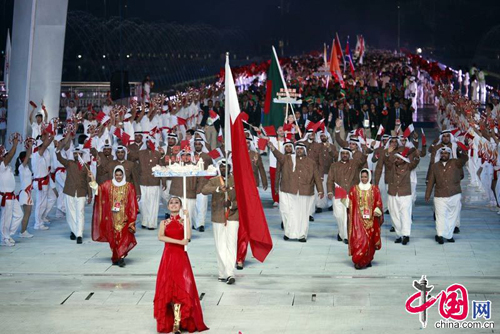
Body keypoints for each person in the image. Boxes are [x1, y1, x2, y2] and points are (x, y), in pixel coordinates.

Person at [154, 197, 208, 334]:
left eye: (176, 202)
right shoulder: (164, 222)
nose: (173, 204)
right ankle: (174, 323)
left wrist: (188, 217)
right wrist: (179, 242)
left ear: (180, 205)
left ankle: (177, 323)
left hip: (181, 258)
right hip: (168, 258)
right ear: (168, 206)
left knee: (181, 289)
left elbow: (188, 237)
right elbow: (161, 237)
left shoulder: (183, 221)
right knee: (169, 290)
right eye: (171, 203)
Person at [269, 141, 324, 242]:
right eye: (298, 148)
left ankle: (302, 235)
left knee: (303, 215)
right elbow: (279, 156)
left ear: (305, 150)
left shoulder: (311, 162)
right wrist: (272, 148)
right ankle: (288, 233)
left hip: (305, 191)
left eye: (301, 149)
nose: (299, 150)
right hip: (288, 190)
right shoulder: (288, 159)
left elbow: (316, 177)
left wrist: (320, 190)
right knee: (288, 212)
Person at [91, 165, 138, 267]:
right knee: (114, 239)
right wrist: (92, 180)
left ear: (123, 175)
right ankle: (116, 256)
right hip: (111, 218)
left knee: (123, 237)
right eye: (116, 175)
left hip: (125, 218)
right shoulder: (108, 185)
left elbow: (133, 203)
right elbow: (99, 190)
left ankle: (121, 257)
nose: (118, 177)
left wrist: (132, 219)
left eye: (120, 175)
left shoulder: (129, 186)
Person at [202, 159, 239, 281]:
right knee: (220, 244)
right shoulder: (214, 180)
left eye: (226, 166)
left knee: (231, 244)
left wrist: (232, 204)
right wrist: (218, 189)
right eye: (222, 167)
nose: (224, 169)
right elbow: (204, 190)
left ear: (230, 167)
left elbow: (243, 198)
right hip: (218, 216)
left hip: (233, 215)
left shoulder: (237, 180)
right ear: (219, 168)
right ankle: (223, 273)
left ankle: (230, 273)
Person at [425, 146, 468, 244]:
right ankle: (440, 235)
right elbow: (431, 181)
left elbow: (465, 159)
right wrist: (428, 194)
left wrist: (461, 151)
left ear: (449, 154)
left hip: (454, 194)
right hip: (440, 195)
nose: (444, 155)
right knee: (440, 215)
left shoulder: (456, 163)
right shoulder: (435, 166)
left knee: (452, 216)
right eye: (442, 153)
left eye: (446, 153)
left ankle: (449, 235)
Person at [56, 138, 92, 244]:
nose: (77, 155)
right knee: (70, 213)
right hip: (69, 191)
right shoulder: (69, 163)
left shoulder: (86, 166)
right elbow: (59, 158)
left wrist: (90, 195)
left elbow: (88, 180)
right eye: (75, 153)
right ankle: (74, 230)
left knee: (80, 213)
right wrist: (58, 149)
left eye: (78, 153)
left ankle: (79, 234)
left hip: (81, 192)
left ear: (81, 154)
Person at [327, 147, 366, 243]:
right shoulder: (334, 165)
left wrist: (367, 151)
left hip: (351, 194)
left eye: (346, 153)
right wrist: (329, 191)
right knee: (339, 215)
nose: (345, 155)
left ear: (349, 154)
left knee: (349, 216)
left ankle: (346, 236)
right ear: (340, 154)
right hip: (338, 194)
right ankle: (341, 232)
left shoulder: (354, 163)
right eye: (343, 153)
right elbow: (330, 179)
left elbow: (362, 161)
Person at [347, 169, 383, 269]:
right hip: (358, 221)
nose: (363, 179)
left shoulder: (374, 189)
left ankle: (367, 260)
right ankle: (359, 261)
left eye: (365, 177)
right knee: (359, 240)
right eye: (362, 177)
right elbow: (349, 202)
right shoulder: (354, 189)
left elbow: (379, 202)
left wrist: (377, 209)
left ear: (369, 177)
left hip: (371, 220)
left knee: (370, 242)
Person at [385, 147, 420, 245]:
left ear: (403, 159)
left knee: (405, 214)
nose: (397, 160)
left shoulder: (408, 166)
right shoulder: (392, 166)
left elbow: (416, 162)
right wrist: (388, 154)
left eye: (399, 158)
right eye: (396, 158)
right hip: (393, 193)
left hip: (404, 194)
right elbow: (387, 162)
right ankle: (399, 235)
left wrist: (417, 156)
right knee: (394, 214)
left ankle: (406, 235)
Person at [0, 139, 23, 246]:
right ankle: (5, 238)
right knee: (6, 218)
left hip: (12, 196)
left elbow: (9, 156)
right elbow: (11, 156)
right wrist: (15, 144)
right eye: (4, 155)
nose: (7, 156)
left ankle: (9, 234)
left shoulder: (6, 166)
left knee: (19, 215)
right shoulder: (1, 166)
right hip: (5, 197)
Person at [31, 134, 54, 230]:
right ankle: (38, 224)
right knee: (40, 204)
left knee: (48, 200)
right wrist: (51, 137)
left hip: (45, 181)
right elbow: (45, 145)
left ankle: (41, 219)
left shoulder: (41, 155)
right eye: (41, 146)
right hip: (40, 182)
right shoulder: (36, 155)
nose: (43, 147)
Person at [17, 146, 35, 238]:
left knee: (28, 213)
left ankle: (24, 230)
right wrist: (30, 146)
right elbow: (28, 156)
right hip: (25, 193)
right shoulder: (22, 167)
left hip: (28, 192)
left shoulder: (26, 167)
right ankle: (22, 232)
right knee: (26, 214)